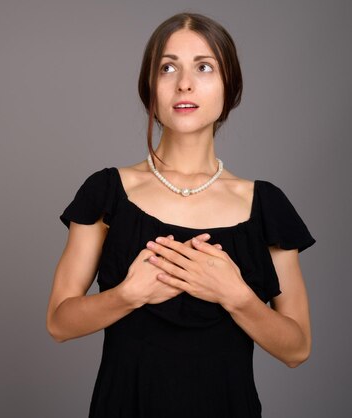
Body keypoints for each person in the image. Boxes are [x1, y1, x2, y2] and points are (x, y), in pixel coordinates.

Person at [46, 12, 316, 418]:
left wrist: (236, 295)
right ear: (150, 88)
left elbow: (297, 349)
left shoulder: (265, 205)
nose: (184, 83)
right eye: (168, 68)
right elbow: (59, 323)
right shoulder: (107, 192)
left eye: (204, 67)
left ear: (230, 86)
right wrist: (126, 296)